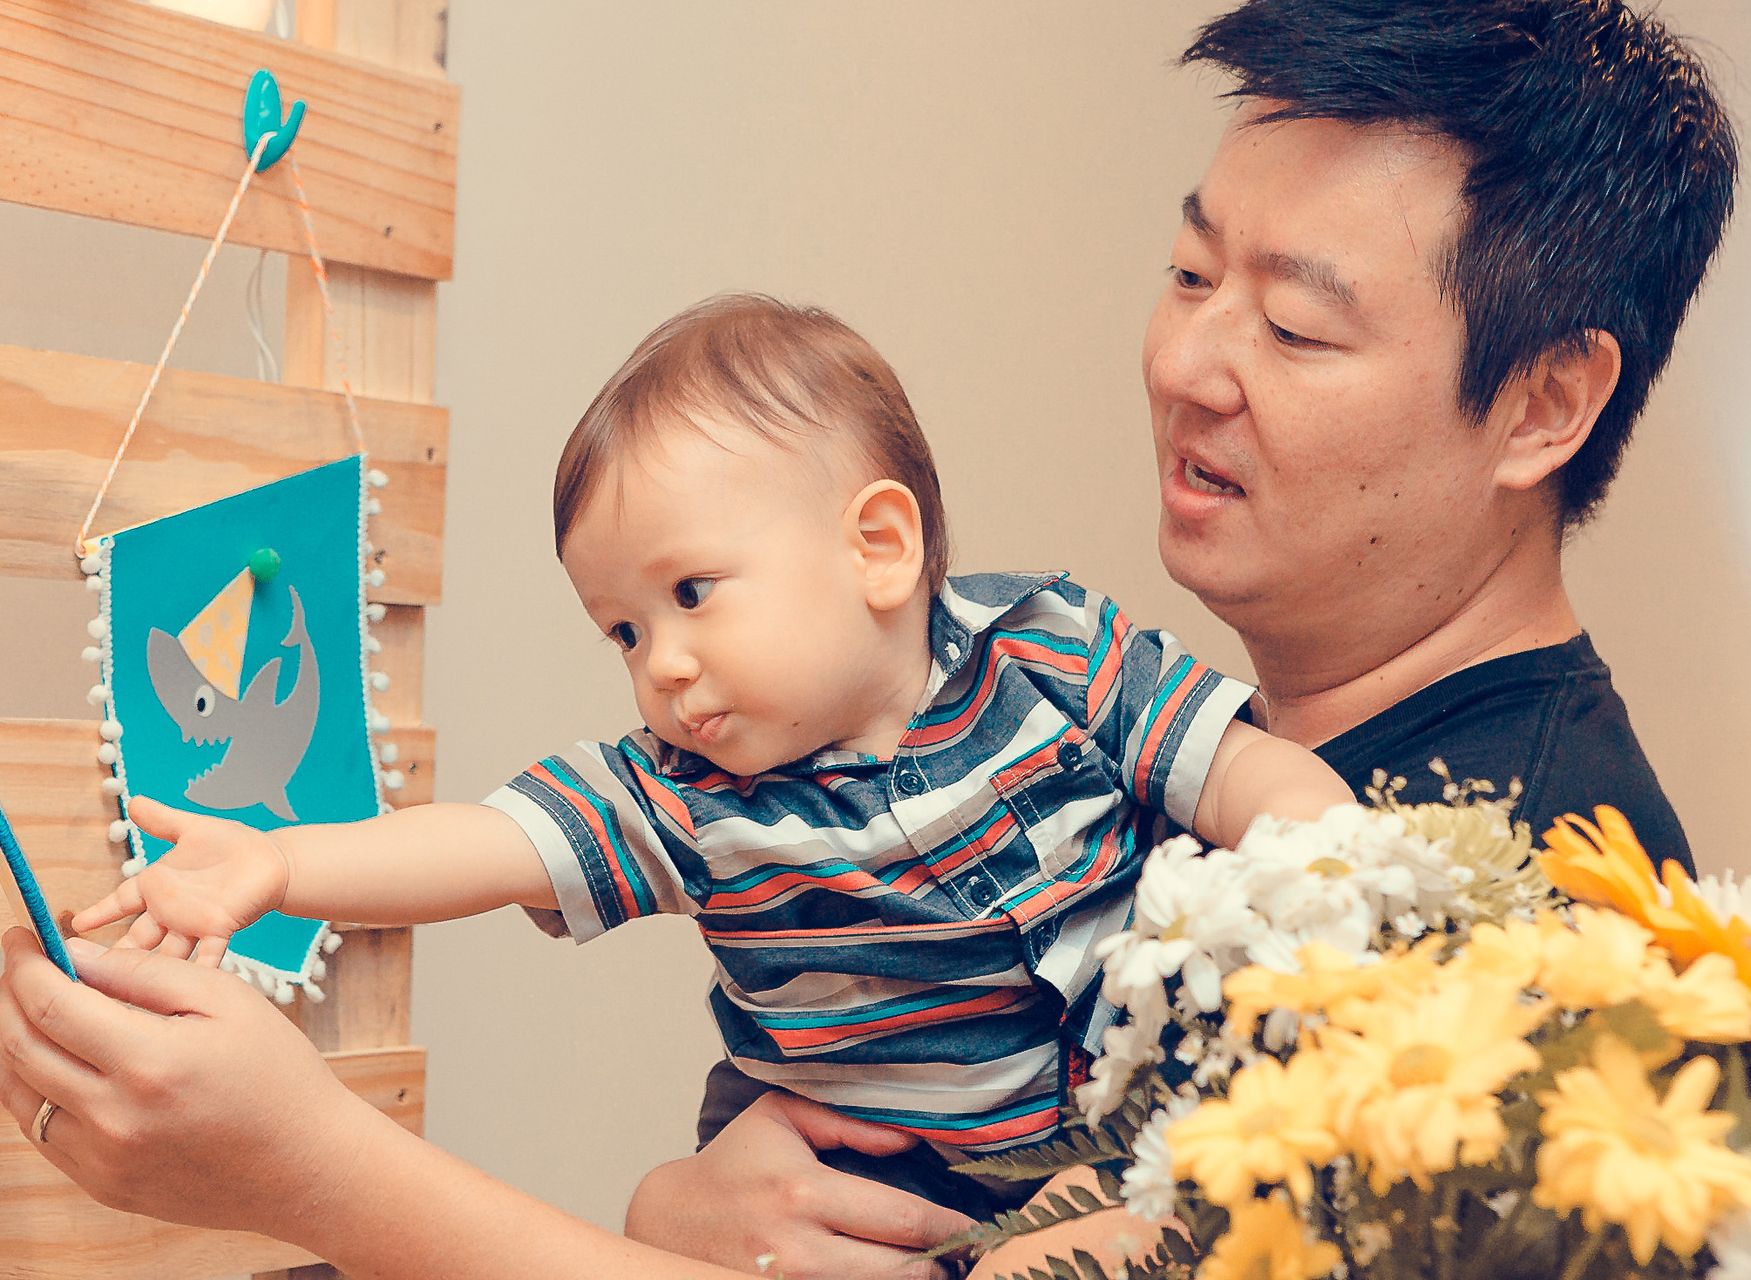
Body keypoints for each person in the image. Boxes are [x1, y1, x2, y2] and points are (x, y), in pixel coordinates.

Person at [0, 0, 1734, 1276]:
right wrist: (689, 1205)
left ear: (1544, 403)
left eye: (1294, 322)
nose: (1189, 361)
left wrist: (315, 1175)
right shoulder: (1062, 755)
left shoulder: (1536, 914)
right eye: (1193, 273)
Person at [67, 293, 1352, 1216]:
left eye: (692, 593)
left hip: (1106, 1133)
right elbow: (484, 840)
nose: (659, 663)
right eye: (622, 627)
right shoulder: (680, 793)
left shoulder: (1052, 647)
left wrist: (1329, 848)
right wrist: (277, 863)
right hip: (853, 1169)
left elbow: (1229, 768)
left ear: (880, 548)